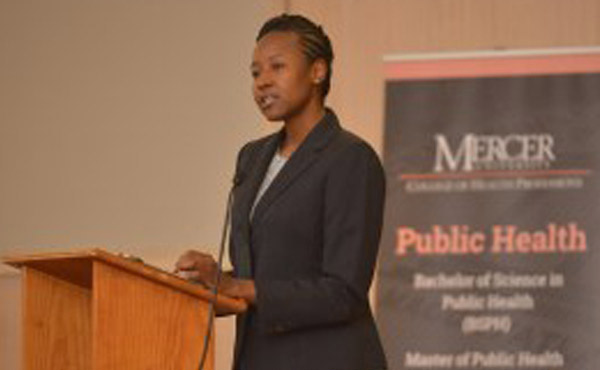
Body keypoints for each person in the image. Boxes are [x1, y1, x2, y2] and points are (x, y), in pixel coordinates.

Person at [175, 14, 387, 370]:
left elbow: (343, 292)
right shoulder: (252, 157)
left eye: (277, 67)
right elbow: (263, 269)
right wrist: (202, 285)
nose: (262, 82)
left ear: (317, 72)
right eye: (255, 73)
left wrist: (237, 286)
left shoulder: (350, 158)